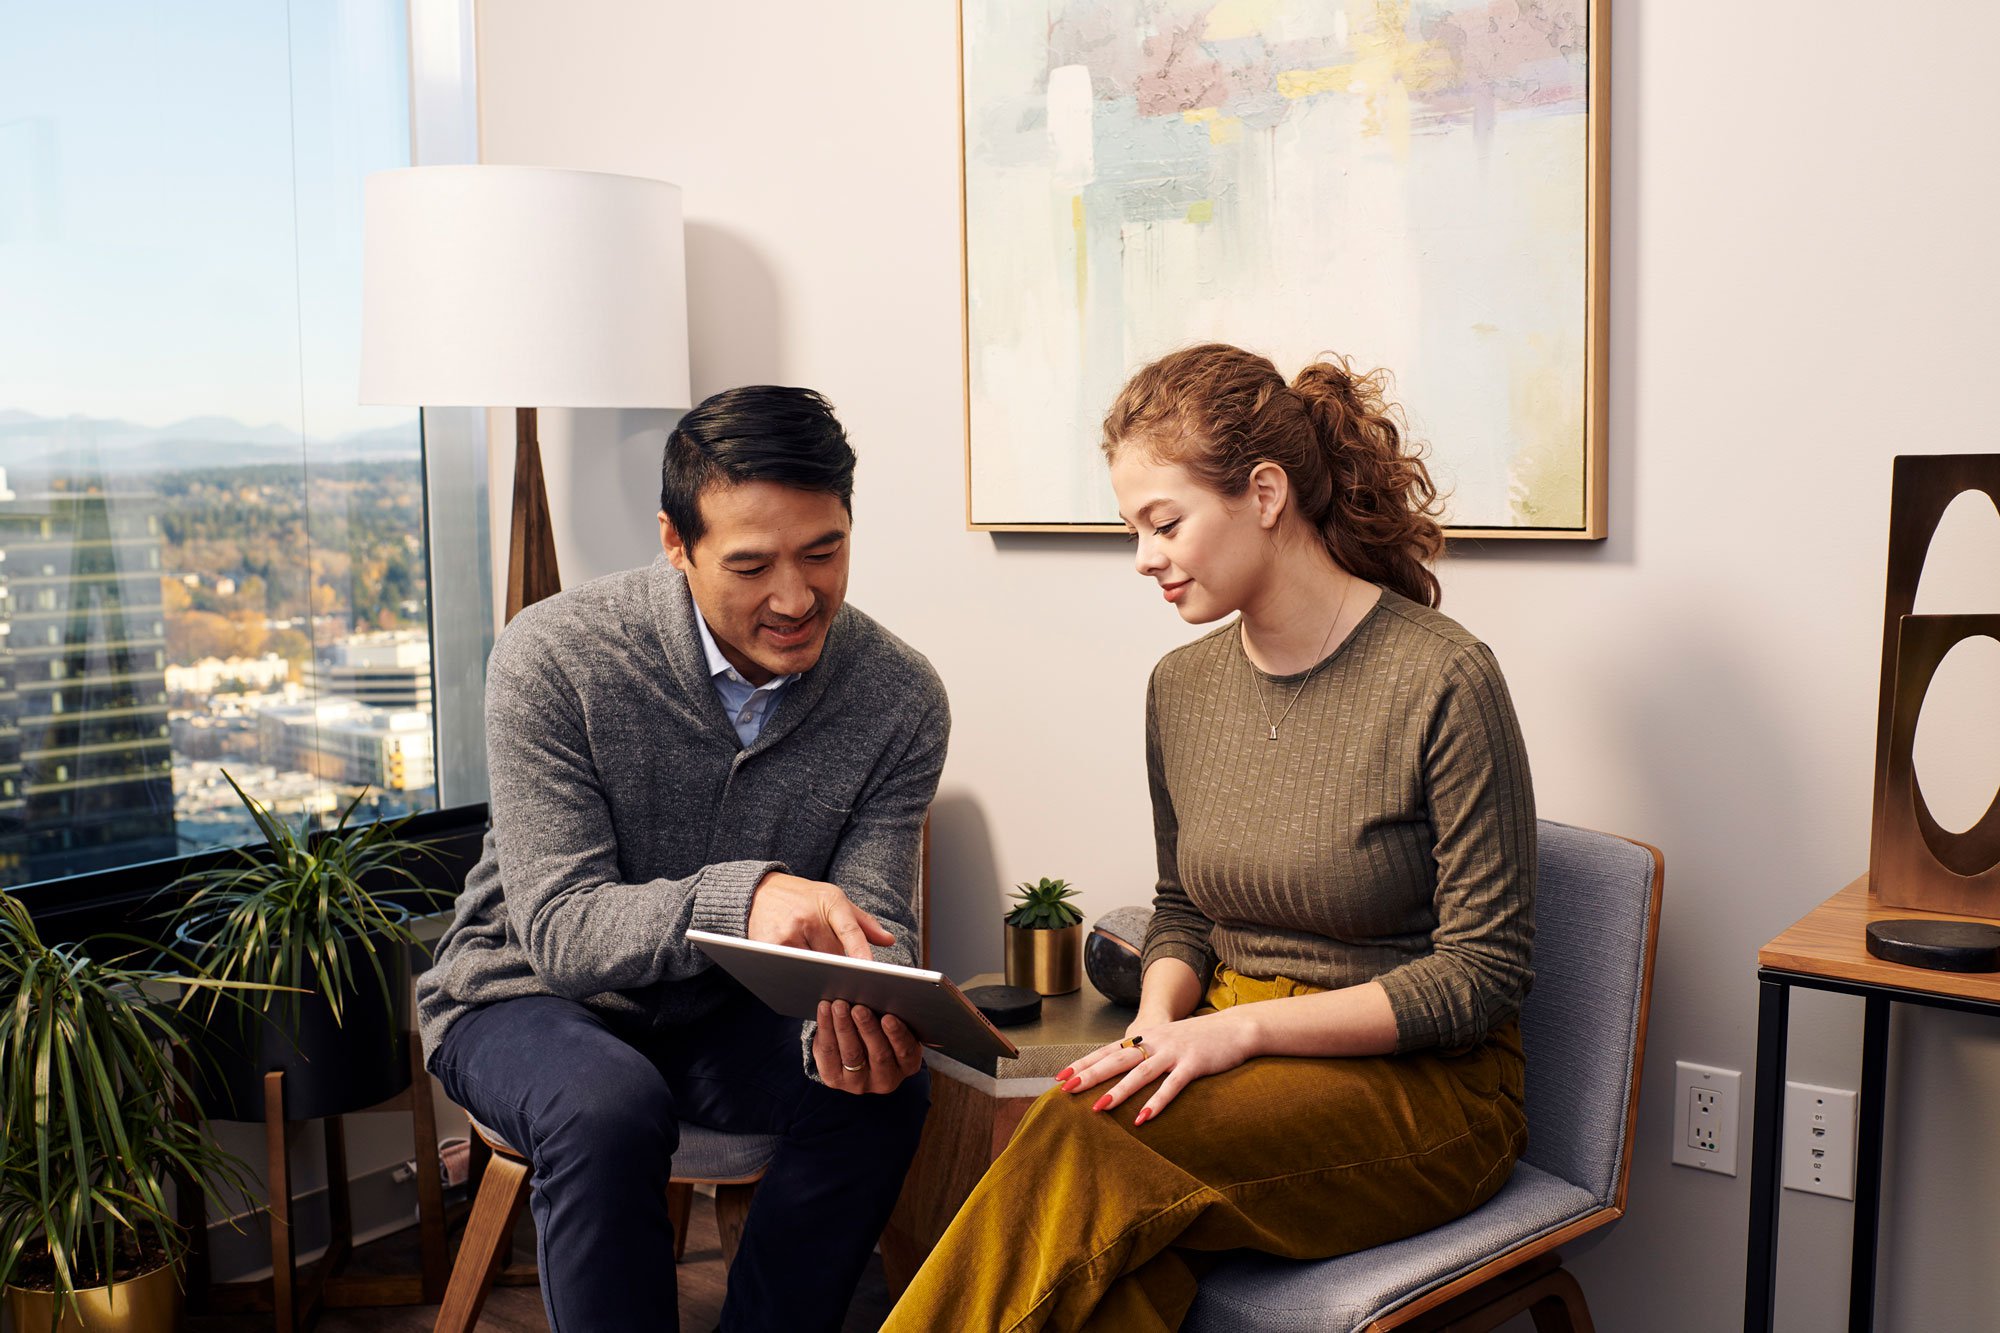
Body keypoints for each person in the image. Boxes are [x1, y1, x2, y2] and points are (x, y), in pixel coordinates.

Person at [885, 344, 1535, 1331]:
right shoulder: (1180, 689)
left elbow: (1480, 973)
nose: (1143, 556)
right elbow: (1183, 909)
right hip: (1227, 1048)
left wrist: (1237, 1029)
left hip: (1425, 1095)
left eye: (1163, 522)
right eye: (1132, 528)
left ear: (1264, 492)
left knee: (1086, 1140)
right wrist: (1157, 1014)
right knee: (1113, 1276)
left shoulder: (1442, 678)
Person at [416, 385, 946, 1333]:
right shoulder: (553, 656)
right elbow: (564, 932)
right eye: (751, 564)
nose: (796, 597)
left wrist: (877, 992)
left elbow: (871, 924)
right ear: (676, 542)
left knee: (879, 1087)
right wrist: (746, 899)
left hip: (721, 1012)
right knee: (607, 1103)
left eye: (824, 551)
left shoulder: (900, 697)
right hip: (522, 995)